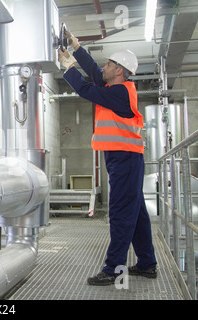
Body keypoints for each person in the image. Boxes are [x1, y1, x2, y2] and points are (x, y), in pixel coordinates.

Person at [58, 31, 157, 286]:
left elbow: (86, 88)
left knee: (121, 213)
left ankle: (113, 269)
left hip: (125, 159)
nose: (105, 67)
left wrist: (68, 66)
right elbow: (94, 72)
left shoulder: (121, 93)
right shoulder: (117, 87)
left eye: (110, 65)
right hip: (124, 158)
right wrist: (76, 47)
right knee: (137, 213)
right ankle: (147, 263)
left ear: (120, 71)